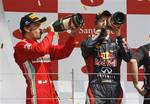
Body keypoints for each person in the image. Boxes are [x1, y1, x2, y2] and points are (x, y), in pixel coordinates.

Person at [14, 13, 78, 104]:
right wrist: (51, 33)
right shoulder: (21, 46)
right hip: (37, 96)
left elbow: (64, 52)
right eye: (36, 26)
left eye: (40, 25)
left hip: (52, 94)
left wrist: (72, 34)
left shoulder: (42, 46)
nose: (40, 28)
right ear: (27, 28)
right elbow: (40, 50)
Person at [81, 10, 132, 104]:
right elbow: (87, 47)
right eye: (102, 21)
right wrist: (101, 32)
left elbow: (128, 57)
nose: (105, 23)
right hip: (95, 89)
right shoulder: (89, 42)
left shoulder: (117, 43)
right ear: (95, 25)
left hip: (114, 89)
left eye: (107, 20)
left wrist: (119, 36)